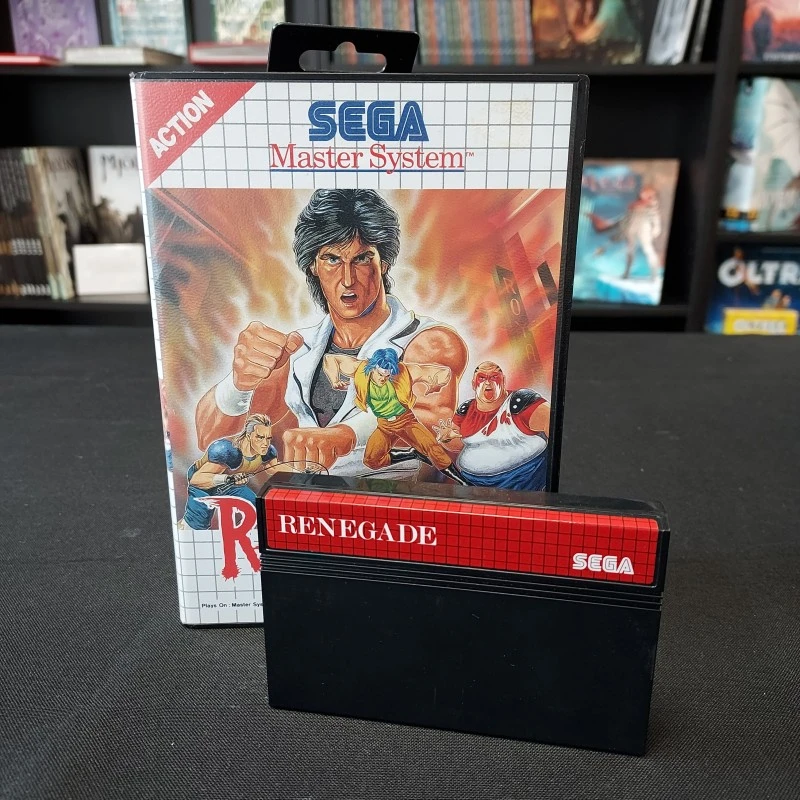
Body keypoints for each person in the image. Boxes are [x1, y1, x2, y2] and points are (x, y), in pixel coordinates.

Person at [195, 189, 468, 480]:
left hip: (391, 499)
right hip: (307, 501)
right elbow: (212, 440)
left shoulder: (430, 341)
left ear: (384, 263)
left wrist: (347, 434)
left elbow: (430, 416)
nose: (348, 279)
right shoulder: (297, 349)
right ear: (313, 266)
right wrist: (238, 384)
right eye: (332, 259)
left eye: (362, 258)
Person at [323, 347, 467, 484]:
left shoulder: (404, 371)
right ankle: (412, 454)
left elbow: (444, 372)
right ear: (372, 367)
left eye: (387, 376)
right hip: (385, 425)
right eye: (380, 374)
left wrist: (436, 383)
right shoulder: (360, 369)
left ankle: (463, 481)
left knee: (433, 449)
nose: (383, 379)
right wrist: (334, 380)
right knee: (371, 460)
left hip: (406, 421)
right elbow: (330, 359)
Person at [435, 361, 551, 491]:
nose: (488, 383)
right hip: (472, 484)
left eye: (494, 377)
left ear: (503, 381)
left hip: (523, 480)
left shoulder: (521, 402)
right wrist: (446, 439)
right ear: (474, 384)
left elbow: (555, 429)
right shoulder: (466, 409)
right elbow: (457, 446)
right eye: (482, 378)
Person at [181, 413, 279, 531]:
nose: (265, 443)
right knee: (195, 526)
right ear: (249, 436)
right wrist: (228, 479)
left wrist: (298, 471)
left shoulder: (266, 450)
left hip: (230, 485)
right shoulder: (228, 449)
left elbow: (275, 468)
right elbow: (196, 479)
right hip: (204, 484)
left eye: (268, 438)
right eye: (260, 437)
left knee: (257, 506)